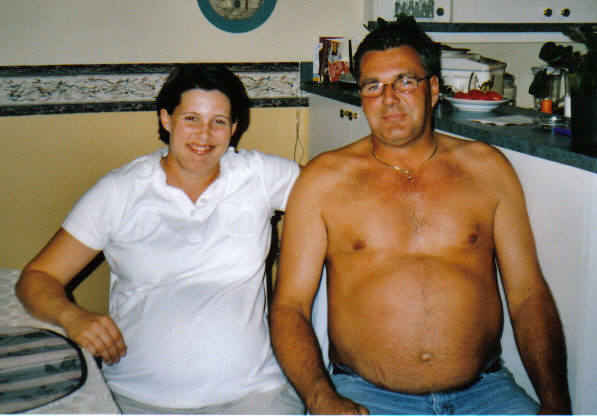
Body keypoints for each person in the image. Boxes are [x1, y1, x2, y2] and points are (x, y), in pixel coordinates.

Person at [269, 16, 571, 415]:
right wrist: (319, 396)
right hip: (365, 398)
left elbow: (528, 294)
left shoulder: (487, 169)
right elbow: (288, 307)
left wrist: (556, 402)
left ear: (433, 90)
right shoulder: (323, 181)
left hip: (487, 393)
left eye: (405, 81)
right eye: (373, 86)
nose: (389, 99)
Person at [16, 64, 304, 414]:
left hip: (255, 396)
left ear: (234, 128)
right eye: (191, 119)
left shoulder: (258, 176)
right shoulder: (120, 191)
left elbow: (334, 192)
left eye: (218, 121)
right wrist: (71, 316)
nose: (204, 135)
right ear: (166, 119)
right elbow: (37, 277)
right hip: (137, 398)